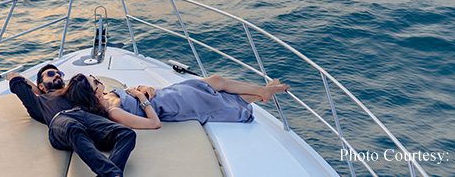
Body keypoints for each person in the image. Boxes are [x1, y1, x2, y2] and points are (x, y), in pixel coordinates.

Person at [7, 64, 136, 177]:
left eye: (60, 74)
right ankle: (112, 174)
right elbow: (13, 76)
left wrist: (141, 90)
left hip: (84, 117)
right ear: (40, 85)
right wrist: (40, 90)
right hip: (61, 121)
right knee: (73, 127)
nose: (57, 75)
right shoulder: (37, 102)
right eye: (51, 74)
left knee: (127, 134)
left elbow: (100, 91)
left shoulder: (73, 93)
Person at [64, 73, 290, 130]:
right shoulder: (114, 112)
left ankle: (265, 91)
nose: (95, 78)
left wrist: (143, 88)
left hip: (166, 93)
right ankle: (266, 91)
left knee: (217, 82)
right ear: (91, 93)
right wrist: (142, 98)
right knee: (220, 94)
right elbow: (154, 123)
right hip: (170, 106)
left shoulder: (108, 96)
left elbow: (132, 92)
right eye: (93, 81)